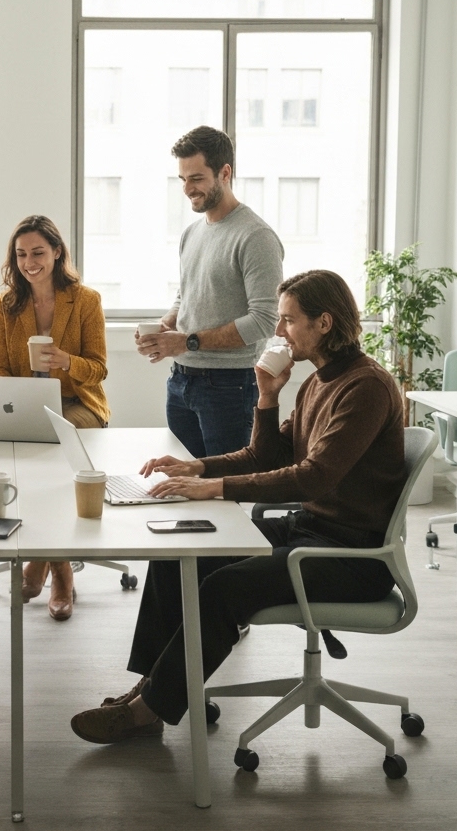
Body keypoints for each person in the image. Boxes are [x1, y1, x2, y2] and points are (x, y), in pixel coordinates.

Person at [70, 269, 406, 744]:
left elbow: (315, 476)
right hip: (308, 533)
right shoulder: (317, 383)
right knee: (178, 552)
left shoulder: (365, 387)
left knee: (223, 587)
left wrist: (218, 488)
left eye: (288, 320)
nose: (279, 330)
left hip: (350, 556)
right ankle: (154, 687)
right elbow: (265, 456)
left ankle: (150, 711)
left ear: (324, 323)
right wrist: (201, 464)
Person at [0, 214, 110, 621]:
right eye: (21, 254)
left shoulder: (86, 300)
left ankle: (53, 572)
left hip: (79, 404)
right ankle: (52, 564)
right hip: (30, 406)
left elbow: (98, 368)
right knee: (30, 459)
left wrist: (66, 361)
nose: (29, 262)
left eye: (38, 252)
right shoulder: (6, 305)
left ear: (57, 253)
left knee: (50, 447)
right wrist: (18, 394)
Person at [136, 125, 283, 460]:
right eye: (183, 179)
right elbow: (186, 295)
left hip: (229, 388)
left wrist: (187, 341)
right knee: (183, 486)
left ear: (225, 172)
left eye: (197, 178)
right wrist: (166, 325)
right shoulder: (192, 233)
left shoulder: (256, 236)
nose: (188, 189)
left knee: (223, 491)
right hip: (181, 381)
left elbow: (265, 320)